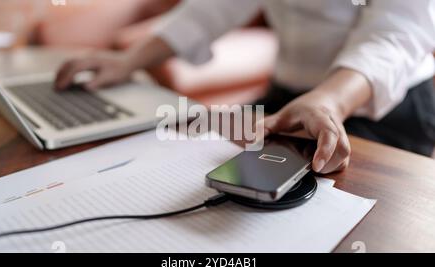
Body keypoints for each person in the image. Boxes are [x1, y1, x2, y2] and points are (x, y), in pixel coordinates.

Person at [55, 0, 435, 174]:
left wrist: (330, 99)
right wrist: (128, 60)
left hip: (382, 103)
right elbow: (213, 7)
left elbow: (396, 34)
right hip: (289, 96)